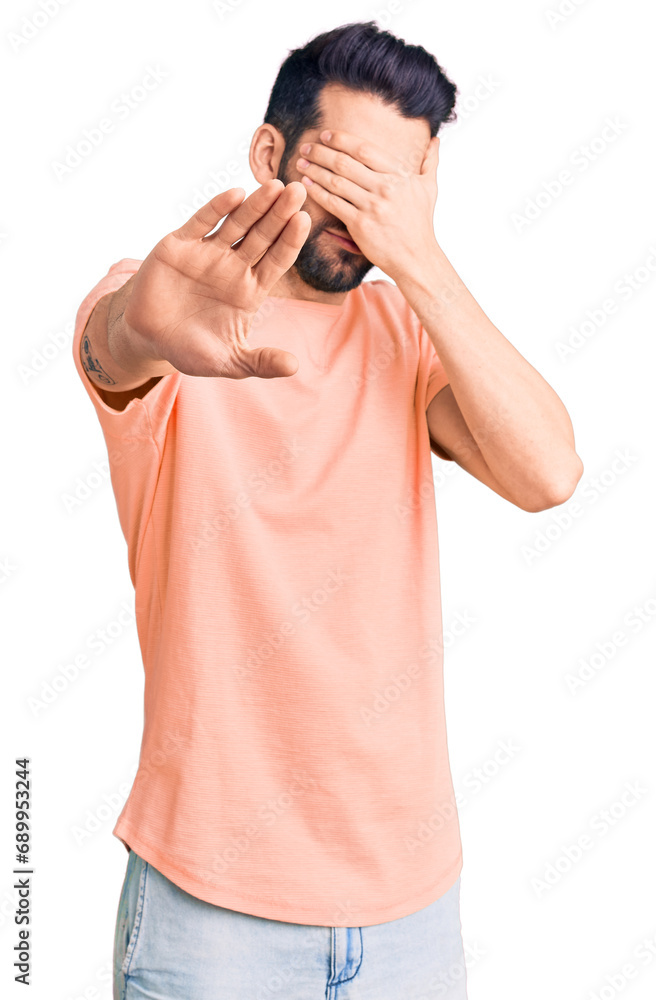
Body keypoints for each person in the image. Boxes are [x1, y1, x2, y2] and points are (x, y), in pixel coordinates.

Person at [72, 20, 583, 1000]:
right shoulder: (167, 305)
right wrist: (139, 327)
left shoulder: (408, 334)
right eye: (344, 177)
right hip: (209, 913)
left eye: (392, 191)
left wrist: (421, 259)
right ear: (270, 151)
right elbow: (114, 346)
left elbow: (548, 472)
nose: (363, 217)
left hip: (410, 910)